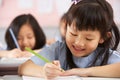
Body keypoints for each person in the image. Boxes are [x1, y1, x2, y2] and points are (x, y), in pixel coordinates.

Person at [18, 0, 120, 79]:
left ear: (103, 37)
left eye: (88, 38)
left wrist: (85, 71)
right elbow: (23, 68)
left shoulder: (106, 55)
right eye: (73, 34)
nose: (78, 43)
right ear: (66, 27)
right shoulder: (58, 50)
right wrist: (44, 72)